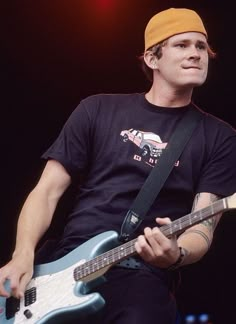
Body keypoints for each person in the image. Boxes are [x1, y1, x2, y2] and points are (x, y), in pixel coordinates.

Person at [1, 7, 236, 324]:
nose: (196, 54)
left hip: (140, 273)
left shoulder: (220, 137)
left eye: (201, 46)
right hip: (61, 266)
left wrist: (176, 254)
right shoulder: (97, 109)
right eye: (182, 45)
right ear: (152, 59)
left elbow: (203, 227)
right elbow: (46, 192)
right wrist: (22, 255)